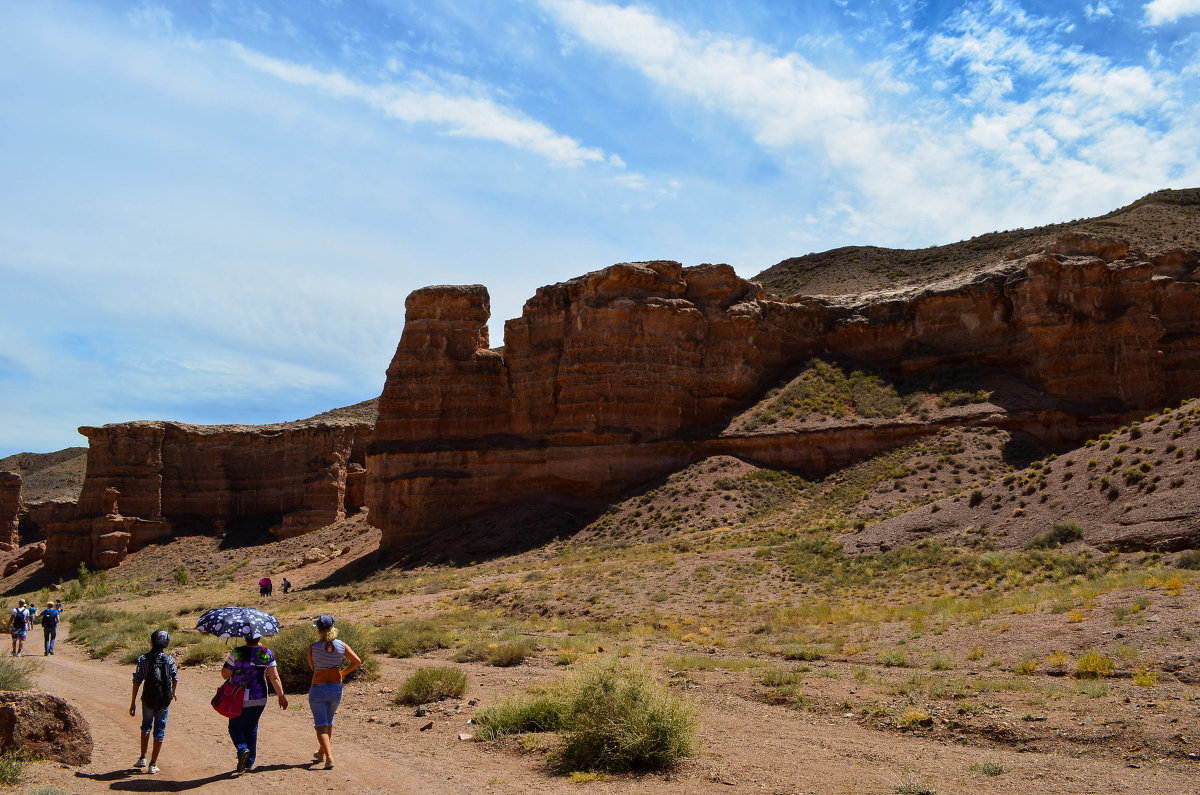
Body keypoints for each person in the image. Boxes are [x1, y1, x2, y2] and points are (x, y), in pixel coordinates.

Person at [221, 634, 288, 776]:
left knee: (234, 726)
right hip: (259, 696)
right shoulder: (266, 653)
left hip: (238, 696)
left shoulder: (237, 652)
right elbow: (274, 676)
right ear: (259, 637)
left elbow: (225, 674)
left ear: (245, 638)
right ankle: (249, 761)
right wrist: (281, 696)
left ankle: (242, 748)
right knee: (252, 727)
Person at [307, 616, 361, 770]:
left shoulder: (313, 647)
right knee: (328, 722)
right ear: (333, 628)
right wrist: (342, 673)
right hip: (335, 688)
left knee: (321, 725)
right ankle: (321, 752)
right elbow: (356, 661)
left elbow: (311, 665)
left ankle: (329, 756)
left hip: (318, 688)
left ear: (318, 629)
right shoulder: (341, 645)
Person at [130, 629, 178, 775]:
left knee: (146, 726)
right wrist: (173, 693)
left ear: (152, 642)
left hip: (148, 698)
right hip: (164, 700)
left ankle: (142, 757)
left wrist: (133, 702)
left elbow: (137, 680)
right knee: (160, 730)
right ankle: (153, 764)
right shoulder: (169, 659)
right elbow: (175, 678)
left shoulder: (143, 659)